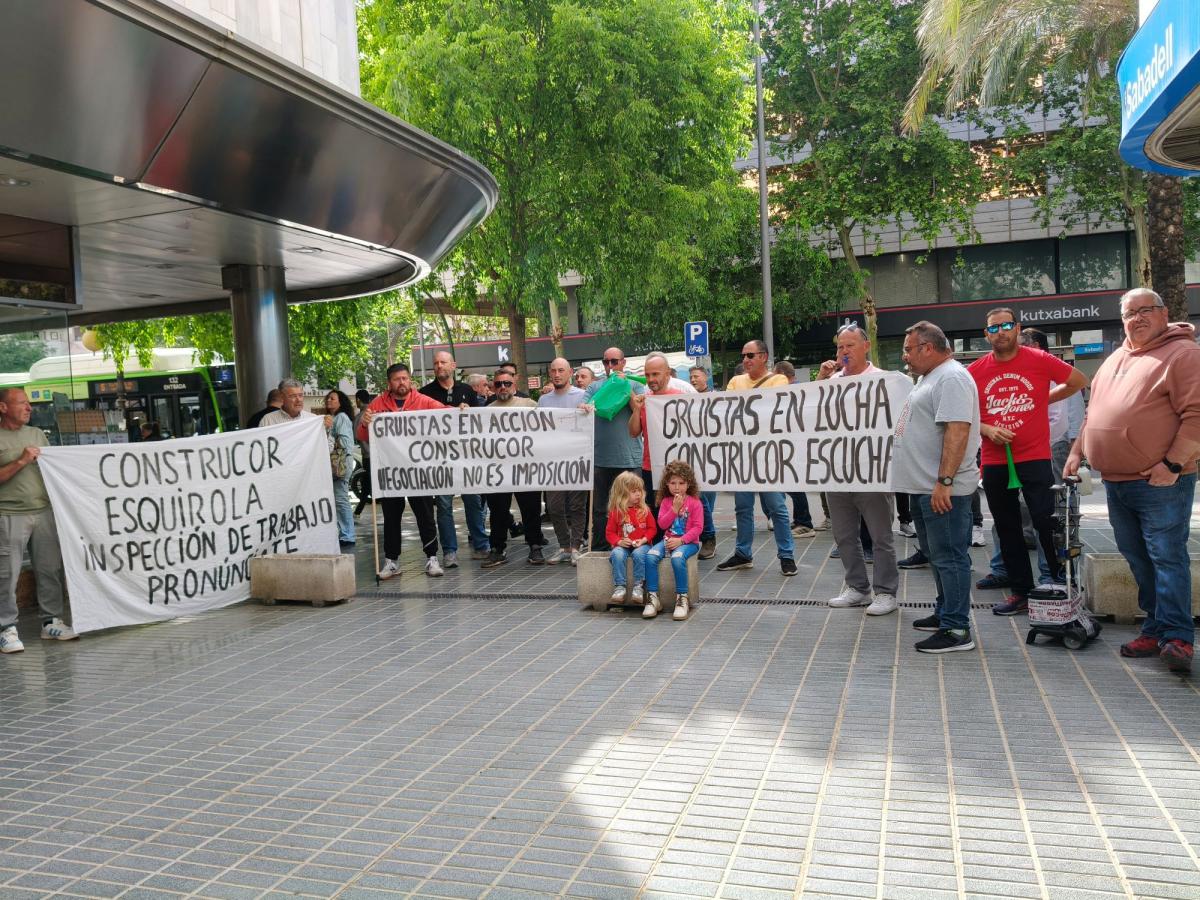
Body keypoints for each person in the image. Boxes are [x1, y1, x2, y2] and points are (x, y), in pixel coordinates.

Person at [1067, 288, 1200, 673]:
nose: (1137, 319)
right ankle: (1156, 625)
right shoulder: (1115, 359)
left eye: (1146, 311)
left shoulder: (1183, 354)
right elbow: (1094, 414)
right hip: (1118, 481)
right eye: (1129, 313)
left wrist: (1173, 465)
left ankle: (1177, 637)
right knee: (1138, 557)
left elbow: (1196, 414)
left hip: (1161, 481)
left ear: (1164, 313)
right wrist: (1078, 451)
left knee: (1165, 556)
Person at [967, 308, 1087, 616]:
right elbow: (964, 413)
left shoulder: (1039, 360)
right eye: (995, 328)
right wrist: (986, 428)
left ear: (1018, 328)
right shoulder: (976, 370)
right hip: (995, 461)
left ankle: (1057, 585)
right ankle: (1021, 591)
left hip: (1035, 457)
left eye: (1008, 325)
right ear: (986, 334)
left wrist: (1042, 399)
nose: (1002, 331)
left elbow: (1078, 381)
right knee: (1007, 528)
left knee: (1046, 523)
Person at [893, 322, 981, 653]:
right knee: (937, 555)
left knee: (950, 557)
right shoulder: (933, 377)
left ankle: (957, 629)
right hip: (925, 486)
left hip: (944, 489)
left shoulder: (952, 378)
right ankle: (946, 612)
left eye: (908, 349)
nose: (905, 357)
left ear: (927, 348)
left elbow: (957, 431)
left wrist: (945, 481)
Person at [816, 323, 900, 616]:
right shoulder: (831, 380)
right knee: (844, 535)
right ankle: (858, 587)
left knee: (880, 536)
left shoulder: (884, 380)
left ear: (866, 347)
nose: (843, 351)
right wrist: (820, 381)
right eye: (840, 346)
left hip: (871, 471)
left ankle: (886, 592)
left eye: (849, 345)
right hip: (836, 470)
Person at [0, 388, 76, 653]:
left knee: (49, 568)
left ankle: (51, 621)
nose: (29, 407)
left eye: (28, 403)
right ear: (3, 408)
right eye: (21, 403)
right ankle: (5, 628)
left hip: (43, 511)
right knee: (7, 574)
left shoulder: (37, 434)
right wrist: (21, 461)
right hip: (9, 514)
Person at [715, 340, 797, 576]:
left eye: (750, 355)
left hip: (767, 455)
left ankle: (787, 555)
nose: (746, 360)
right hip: (742, 455)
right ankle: (743, 553)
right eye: (743, 356)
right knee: (743, 507)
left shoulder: (778, 380)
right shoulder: (735, 381)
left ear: (764, 357)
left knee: (776, 507)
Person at [357, 364, 447, 580]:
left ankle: (432, 557)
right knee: (391, 517)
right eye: (397, 379)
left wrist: (459, 409)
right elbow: (363, 435)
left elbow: (447, 417)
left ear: (410, 380)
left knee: (425, 515)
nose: (402, 383)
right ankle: (392, 560)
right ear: (389, 383)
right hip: (391, 474)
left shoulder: (423, 401)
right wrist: (364, 423)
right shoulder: (378, 404)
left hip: (419, 472)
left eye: (405, 378)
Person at [420, 350, 489, 566]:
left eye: (443, 362)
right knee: (443, 505)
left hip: (467, 457)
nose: (439, 366)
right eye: (436, 363)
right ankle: (449, 551)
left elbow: (480, 422)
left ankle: (481, 544)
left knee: (473, 501)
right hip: (439, 459)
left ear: (453, 365)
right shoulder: (424, 393)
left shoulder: (467, 390)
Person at [480, 369, 548, 567]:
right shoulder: (486, 410)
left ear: (514, 385)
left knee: (531, 509)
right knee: (498, 510)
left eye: (507, 383)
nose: (502, 387)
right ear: (493, 387)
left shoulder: (530, 405)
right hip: (498, 470)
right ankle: (497, 549)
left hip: (525, 468)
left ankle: (535, 546)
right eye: (498, 383)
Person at [585, 347, 646, 551]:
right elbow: (582, 406)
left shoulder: (636, 385)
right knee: (601, 509)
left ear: (623, 362)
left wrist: (624, 385)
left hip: (630, 459)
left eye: (614, 361)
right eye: (606, 362)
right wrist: (584, 407)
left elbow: (637, 407)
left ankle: (636, 546)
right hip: (601, 459)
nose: (610, 366)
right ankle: (601, 548)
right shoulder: (595, 387)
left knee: (634, 507)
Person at [538, 357, 588, 564]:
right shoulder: (543, 400)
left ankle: (576, 546)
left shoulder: (583, 395)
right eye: (553, 371)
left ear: (570, 373)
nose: (557, 374)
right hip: (553, 462)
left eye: (561, 370)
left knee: (577, 505)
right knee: (555, 506)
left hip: (578, 459)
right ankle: (564, 546)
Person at [644, 460, 703, 621]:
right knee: (650, 556)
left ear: (688, 483)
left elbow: (698, 528)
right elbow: (662, 524)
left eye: (681, 483)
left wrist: (681, 541)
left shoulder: (695, 503)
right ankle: (653, 597)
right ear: (667, 484)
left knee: (677, 559)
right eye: (673, 483)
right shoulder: (665, 502)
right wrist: (674, 510)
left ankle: (682, 598)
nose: (677, 487)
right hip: (668, 540)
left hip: (688, 543)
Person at [628, 353, 683, 499]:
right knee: (656, 514)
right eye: (647, 375)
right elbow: (633, 433)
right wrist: (637, 409)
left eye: (655, 374)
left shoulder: (682, 398)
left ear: (668, 374)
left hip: (678, 469)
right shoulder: (645, 400)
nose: (650, 379)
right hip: (651, 468)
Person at [605, 471, 656, 606]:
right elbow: (609, 532)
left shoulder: (644, 510)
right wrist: (619, 541)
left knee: (639, 554)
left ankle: (638, 586)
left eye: (639, 490)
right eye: (634, 491)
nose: (638, 494)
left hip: (642, 545)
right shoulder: (616, 512)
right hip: (623, 546)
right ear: (622, 494)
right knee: (616, 553)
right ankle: (620, 587)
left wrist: (644, 540)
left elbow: (652, 529)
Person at [324, 389, 356, 551]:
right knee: (339, 497)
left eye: (332, 398)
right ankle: (345, 532)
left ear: (340, 402)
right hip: (341, 462)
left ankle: (347, 534)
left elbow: (344, 442)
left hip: (340, 463)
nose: (328, 401)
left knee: (341, 497)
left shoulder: (340, 418)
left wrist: (328, 434)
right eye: (328, 398)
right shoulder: (337, 418)